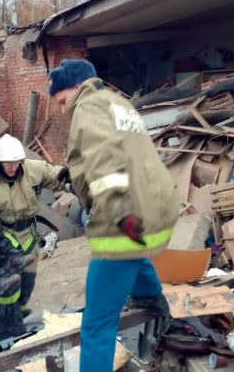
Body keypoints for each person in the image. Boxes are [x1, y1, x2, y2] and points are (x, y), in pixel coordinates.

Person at [49, 59, 180, 372]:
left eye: (62, 100)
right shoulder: (119, 103)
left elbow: (105, 159)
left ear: (76, 87)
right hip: (157, 210)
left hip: (127, 215)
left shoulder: (88, 107)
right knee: (135, 254)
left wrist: (120, 215)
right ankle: (152, 297)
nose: (63, 109)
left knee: (96, 324)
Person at [0, 134, 64, 340]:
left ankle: (19, 310)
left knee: (28, 282)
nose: (13, 168)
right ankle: (8, 326)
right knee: (9, 285)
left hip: (28, 233)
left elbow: (54, 175)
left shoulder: (33, 170)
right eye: (8, 164)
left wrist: (69, 179)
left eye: (16, 163)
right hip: (5, 237)